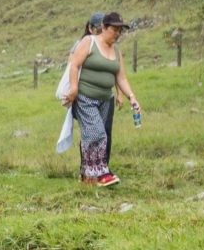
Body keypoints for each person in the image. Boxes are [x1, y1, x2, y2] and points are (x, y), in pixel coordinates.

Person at [57, 12, 141, 186]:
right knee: (97, 133)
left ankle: (88, 176)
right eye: (114, 29)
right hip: (85, 98)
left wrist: (131, 96)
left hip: (105, 100)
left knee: (93, 136)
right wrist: (73, 88)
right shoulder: (89, 42)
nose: (117, 34)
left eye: (120, 30)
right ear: (104, 27)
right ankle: (102, 174)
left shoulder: (116, 51)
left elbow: (121, 77)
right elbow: (74, 65)